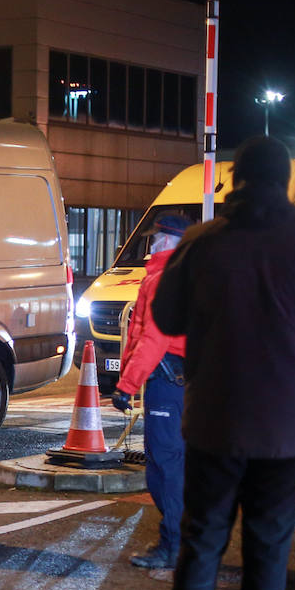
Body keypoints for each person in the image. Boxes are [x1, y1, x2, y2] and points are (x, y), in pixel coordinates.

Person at [146, 136, 295, 590]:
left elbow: (165, 316)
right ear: (284, 184)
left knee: (202, 541)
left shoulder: (202, 243)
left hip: (216, 416)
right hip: (288, 426)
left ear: (236, 181)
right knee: (269, 548)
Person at [110, 214, 191, 570]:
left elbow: (153, 338)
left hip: (166, 381)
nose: (152, 244)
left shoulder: (164, 280)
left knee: (163, 465)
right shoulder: (181, 276)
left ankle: (174, 545)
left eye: (158, 238)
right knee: (175, 463)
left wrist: (126, 385)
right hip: (183, 382)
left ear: (170, 243)